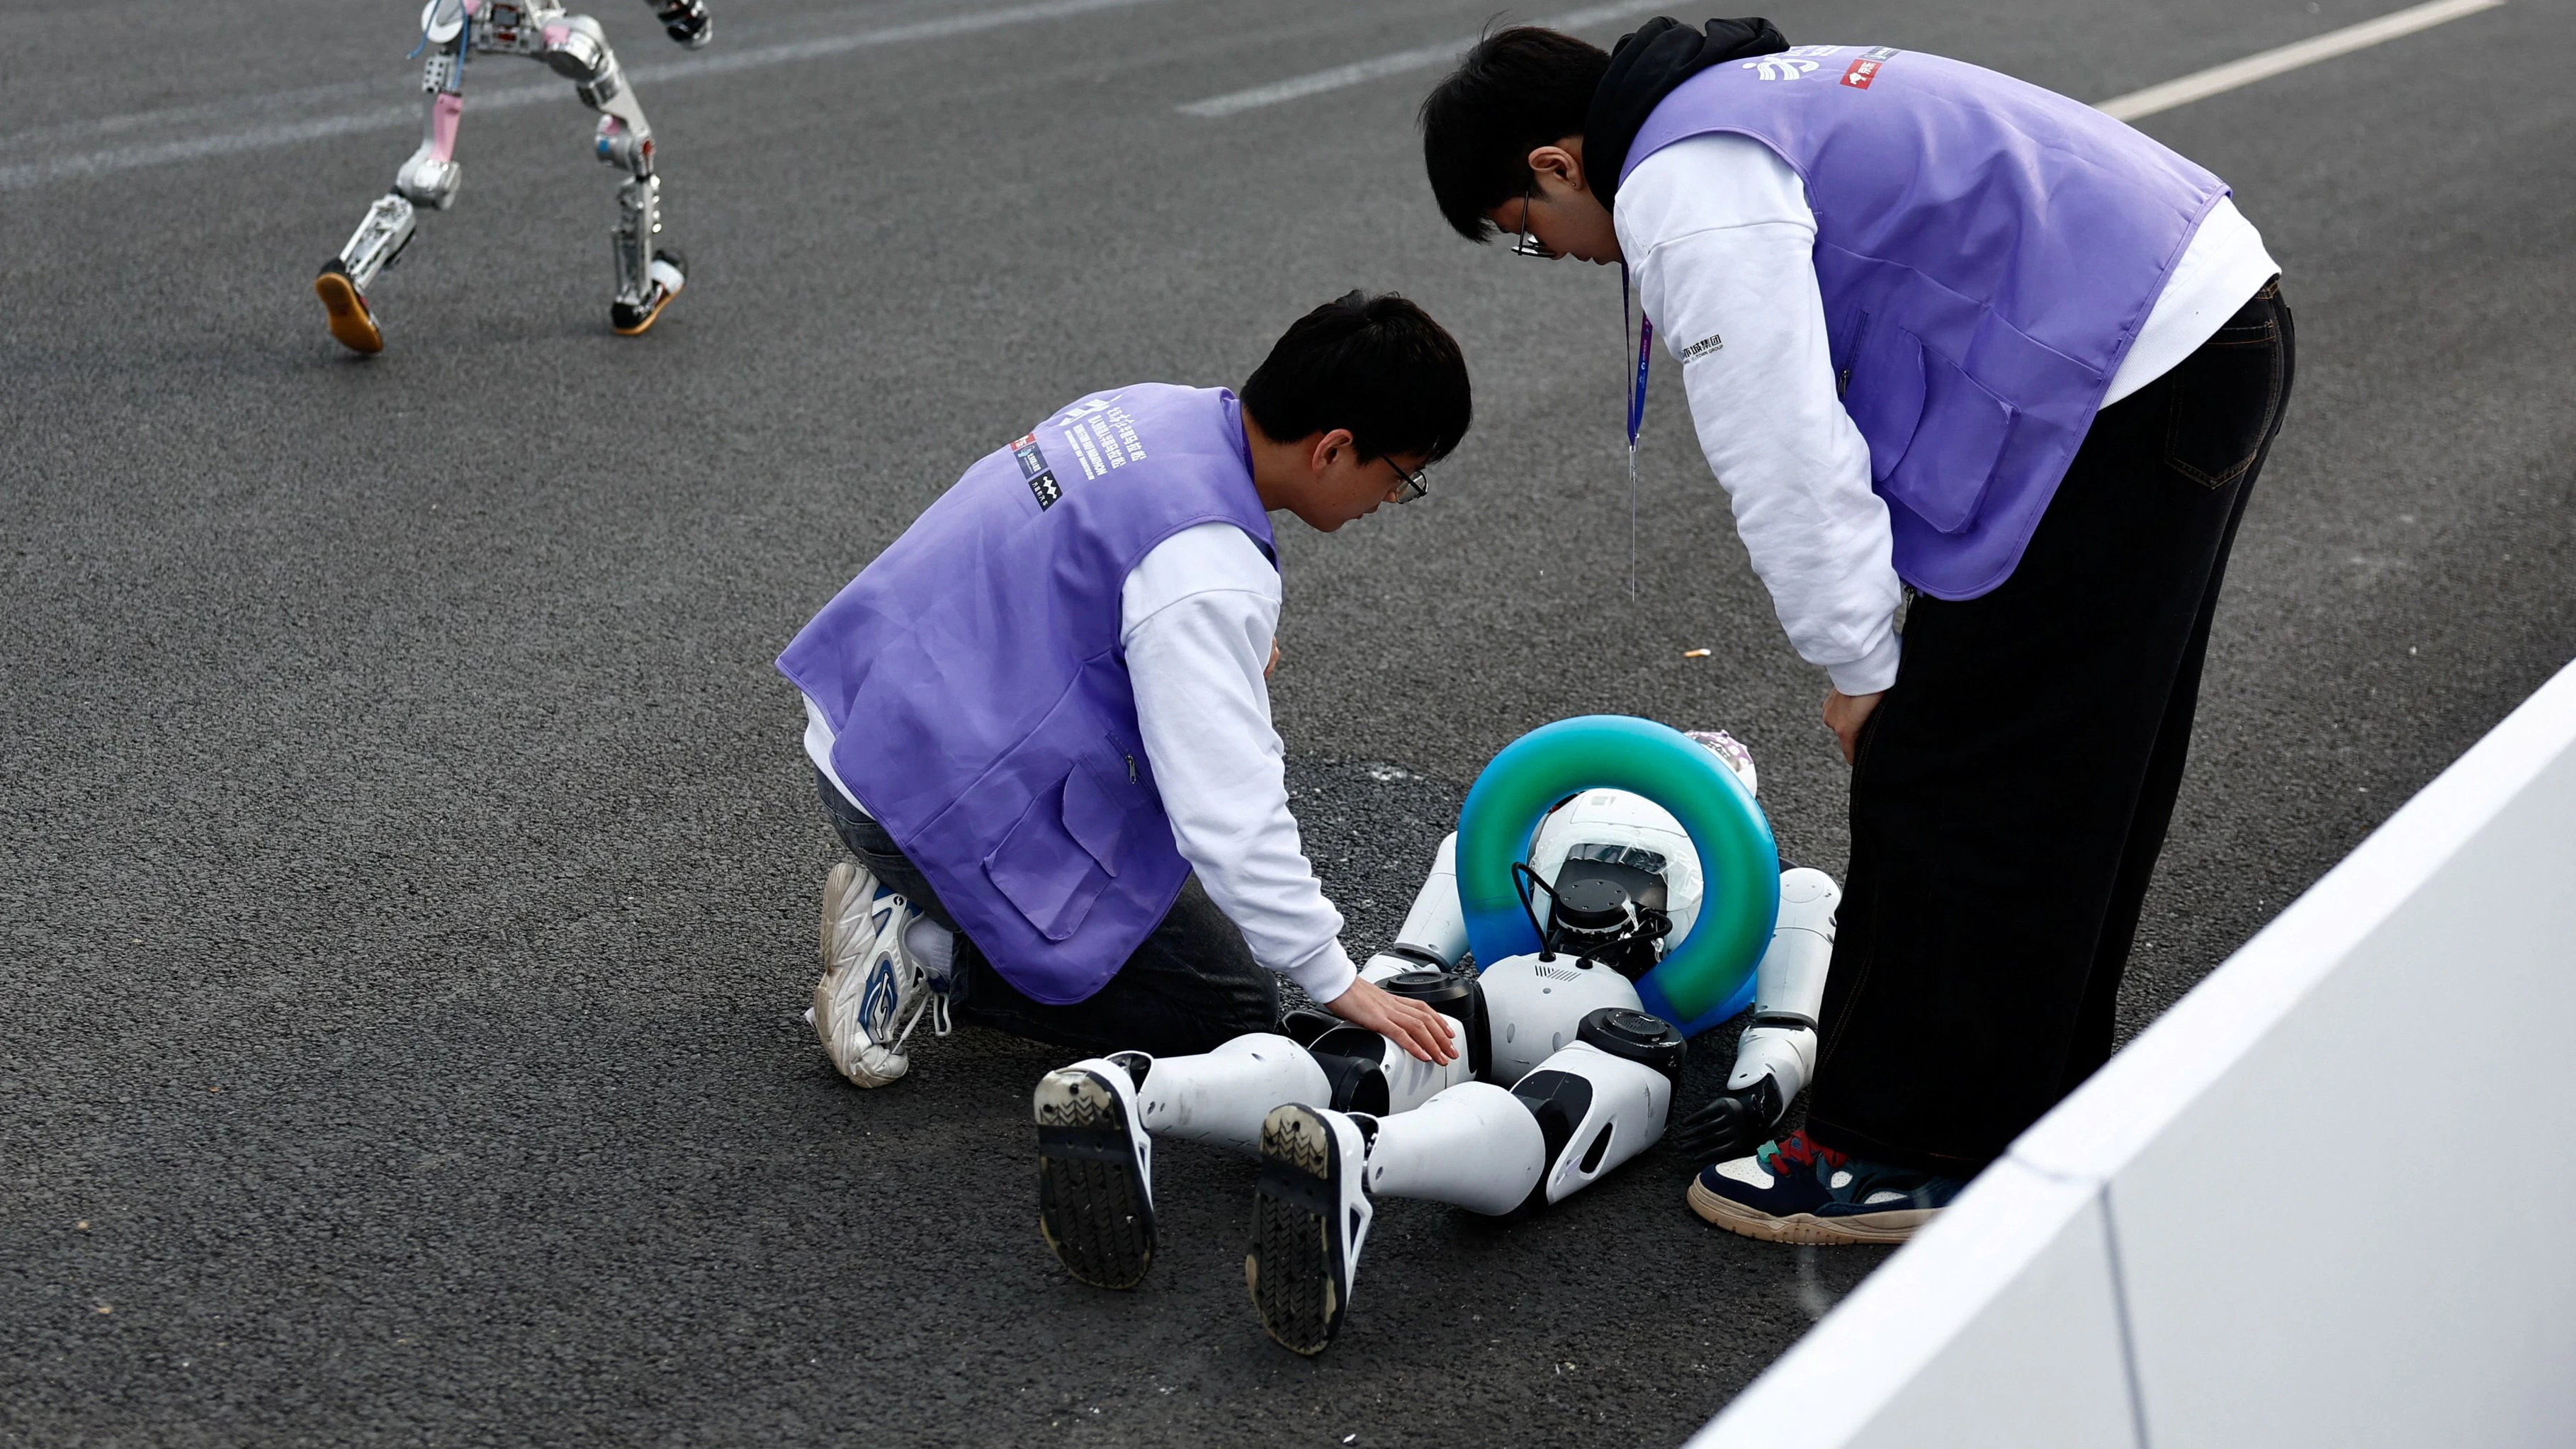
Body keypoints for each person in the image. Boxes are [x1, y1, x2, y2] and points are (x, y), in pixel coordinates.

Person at [1418, 18, 2295, 1244]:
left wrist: (1861, 665)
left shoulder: (1683, 179)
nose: (1553, 254)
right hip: (2190, 330)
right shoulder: (1733, 100)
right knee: (2078, 763)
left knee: (1946, 771)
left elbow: (1783, 449)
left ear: (1557, 165)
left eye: (1523, 231)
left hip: (2129, 372)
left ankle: (1900, 1154)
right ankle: (2021, 1107)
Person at [776, 292, 1473, 1090]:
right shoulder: (1205, 567)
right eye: (1402, 477)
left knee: (1152, 887)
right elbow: (1228, 807)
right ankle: (931, 951)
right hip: (907, 799)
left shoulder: (1152, 411)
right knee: (1226, 1011)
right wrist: (1334, 975)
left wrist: (1201, 646)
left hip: (863, 715)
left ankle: (930, 908)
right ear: (1335, 448)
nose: (1392, 501)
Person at [312, 0, 712, 354]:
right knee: (632, 141)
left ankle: (351, 271)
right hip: (552, 32)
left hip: (469, 19)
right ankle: (636, 297)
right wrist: (685, 14)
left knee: (430, 162)